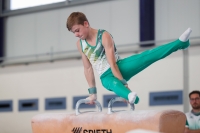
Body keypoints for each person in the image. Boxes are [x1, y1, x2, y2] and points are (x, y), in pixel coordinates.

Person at [66, 12, 192, 105]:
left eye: (77, 30)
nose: (76, 35)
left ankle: (180, 43)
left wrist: (125, 85)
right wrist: (92, 94)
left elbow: (113, 64)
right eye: (73, 33)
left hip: (119, 67)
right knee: (113, 84)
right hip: (106, 77)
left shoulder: (104, 36)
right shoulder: (80, 44)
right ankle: (131, 96)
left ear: (86, 24)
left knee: (146, 57)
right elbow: (87, 69)